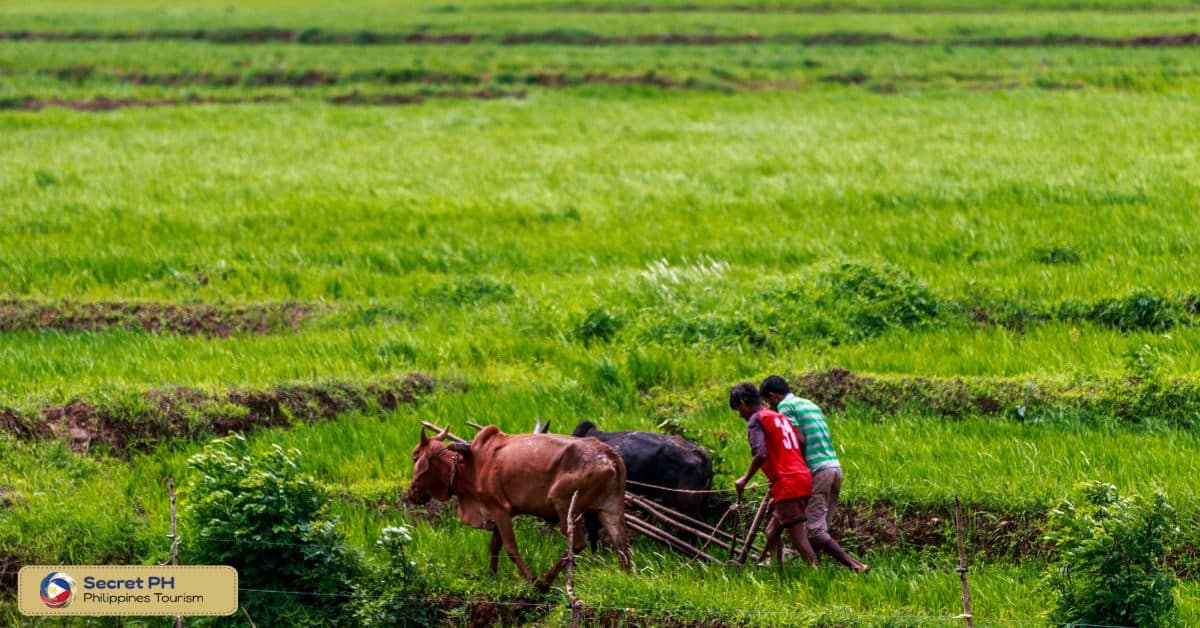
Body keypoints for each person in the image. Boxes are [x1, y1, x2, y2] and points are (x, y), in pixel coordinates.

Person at [759, 375, 868, 573]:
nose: (771, 409)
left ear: (774, 396)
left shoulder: (785, 407)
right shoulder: (809, 404)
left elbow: (798, 439)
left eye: (768, 402)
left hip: (816, 471)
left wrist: (791, 468)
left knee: (815, 532)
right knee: (817, 529)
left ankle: (856, 566)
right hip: (834, 468)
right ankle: (816, 574)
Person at [729, 382, 818, 567]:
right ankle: (778, 571)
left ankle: (817, 574)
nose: (740, 414)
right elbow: (801, 439)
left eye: (739, 409)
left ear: (744, 403)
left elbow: (760, 453)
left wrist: (745, 479)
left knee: (798, 538)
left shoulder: (756, 419)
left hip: (788, 483)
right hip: (800, 477)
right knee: (771, 532)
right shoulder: (778, 416)